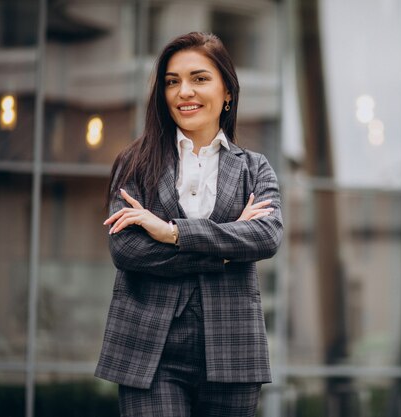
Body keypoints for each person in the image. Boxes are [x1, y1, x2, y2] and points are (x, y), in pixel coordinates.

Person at [94, 32, 283, 417]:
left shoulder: (254, 168)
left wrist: (172, 232)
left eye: (199, 78)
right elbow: (127, 250)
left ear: (227, 91)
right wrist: (226, 252)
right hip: (149, 349)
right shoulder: (134, 164)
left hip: (233, 349)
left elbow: (265, 237)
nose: (184, 92)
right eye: (172, 81)